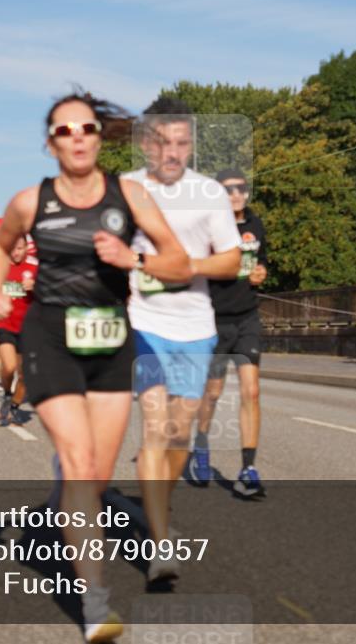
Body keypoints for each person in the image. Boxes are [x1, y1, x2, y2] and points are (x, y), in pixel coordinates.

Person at [0, 90, 189, 642]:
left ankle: (60, 512)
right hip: (50, 335)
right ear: (49, 143)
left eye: (86, 128)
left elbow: (177, 260)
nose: (76, 137)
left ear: (100, 136)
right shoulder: (31, 201)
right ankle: (95, 602)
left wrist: (134, 259)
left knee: (95, 475)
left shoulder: (131, 194)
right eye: (64, 130)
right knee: (78, 464)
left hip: (110, 337)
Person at [123, 98, 242, 585]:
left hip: (196, 328)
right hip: (143, 322)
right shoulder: (127, 190)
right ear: (148, 142)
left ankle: (159, 506)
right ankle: (160, 541)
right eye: (162, 141)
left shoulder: (208, 192)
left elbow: (230, 261)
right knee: (154, 427)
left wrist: (183, 266)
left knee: (179, 433)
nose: (172, 152)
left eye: (182, 142)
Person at [188, 168, 268, 498]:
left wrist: (261, 272)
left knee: (251, 391)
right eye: (228, 189)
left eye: (241, 188)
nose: (236, 194)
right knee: (213, 392)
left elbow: (261, 264)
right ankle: (201, 446)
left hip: (247, 317)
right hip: (216, 319)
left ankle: (248, 467)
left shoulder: (255, 224)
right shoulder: (208, 226)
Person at [0, 235, 37, 425]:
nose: (16, 252)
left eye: (20, 248)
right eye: (13, 248)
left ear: (27, 248)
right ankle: (6, 395)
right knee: (9, 366)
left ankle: (15, 406)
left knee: (25, 375)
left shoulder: (35, 268)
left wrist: (36, 287)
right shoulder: (0, 267)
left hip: (27, 326)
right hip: (4, 324)